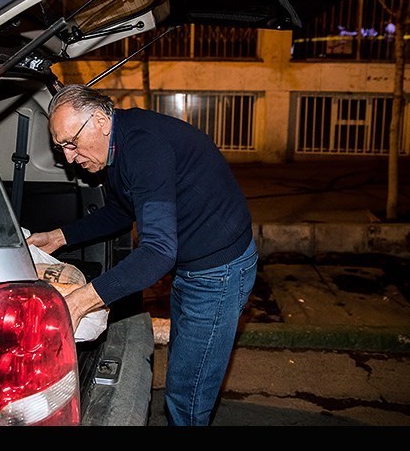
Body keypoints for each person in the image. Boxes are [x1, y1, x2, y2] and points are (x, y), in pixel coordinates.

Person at [26, 84, 258, 426]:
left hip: (219, 272)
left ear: (100, 120)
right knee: (186, 366)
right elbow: (122, 211)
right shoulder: (119, 146)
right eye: (62, 149)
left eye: (71, 143)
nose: (70, 158)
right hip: (195, 266)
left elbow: (157, 253)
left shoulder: (145, 148)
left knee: (188, 394)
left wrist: (79, 301)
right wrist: (59, 237)